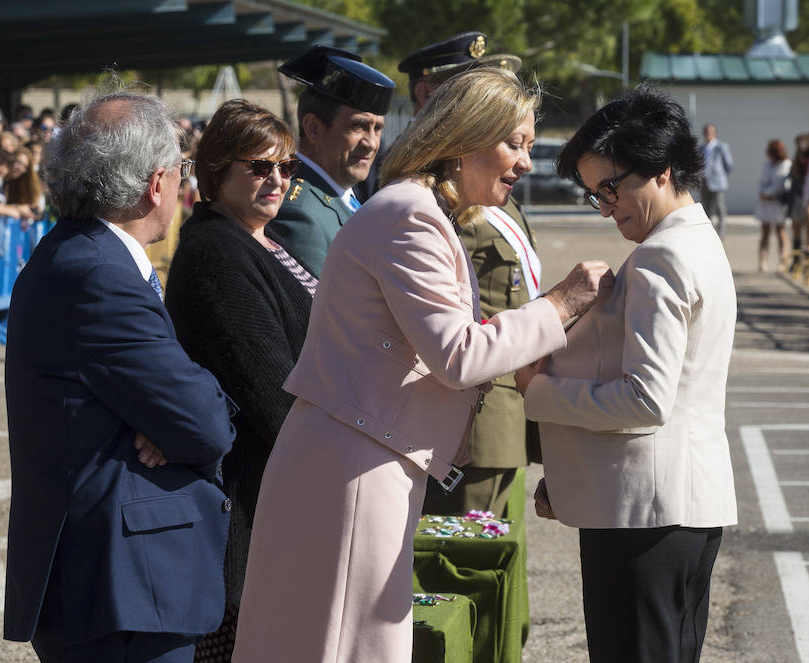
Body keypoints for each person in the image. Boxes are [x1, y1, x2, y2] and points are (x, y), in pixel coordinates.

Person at [233, 66, 611, 663]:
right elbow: (457, 355)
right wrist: (560, 305)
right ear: (465, 137)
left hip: (361, 452)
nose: (525, 163)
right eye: (515, 143)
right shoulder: (412, 215)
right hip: (355, 461)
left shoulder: (419, 211)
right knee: (346, 645)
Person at [3, 91, 238, 663]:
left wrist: (172, 418)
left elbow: (178, 405)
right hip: (122, 588)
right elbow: (206, 424)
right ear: (156, 184)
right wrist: (185, 417)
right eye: (182, 171)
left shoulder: (79, 256)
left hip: (117, 582)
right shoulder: (97, 274)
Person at [516, 86, 738, 663]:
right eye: (595, 195)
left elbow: (645, 399)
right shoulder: (698, 240)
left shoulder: (662, 256)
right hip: (679, 506)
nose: (607, 206)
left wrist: (539, 391)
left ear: (662, 169)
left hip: (646, 518)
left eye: (611, 187)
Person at [163, 99, 314, 663]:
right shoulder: (215, 254)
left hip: (280, 493)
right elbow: (273, 393)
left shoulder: (264, 240)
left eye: (286, 166)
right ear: (216, 171)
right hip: (247, 501)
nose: (276, 179)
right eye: (258, 166)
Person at [400, 32, 539, 520]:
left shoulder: (484, 189)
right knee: (456, 568)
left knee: (491, 564)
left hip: (502, 402)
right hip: (469, 408)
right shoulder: (424, 200)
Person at [268, 45, 395, 277]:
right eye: (358, 126)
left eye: (377, 129)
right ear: (313, 128)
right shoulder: (299, 213)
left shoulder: (343, 194)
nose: (372, 143)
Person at [755, 139, 792, 272]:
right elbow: (761, 181)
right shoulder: (767, 164)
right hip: (766, 203)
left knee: (780, 231)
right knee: (765, 232)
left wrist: (768, 193)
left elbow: (780, 183)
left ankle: (783, 261)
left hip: (777, 202)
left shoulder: (786, 164)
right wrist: (763, 192)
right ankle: (762, 260)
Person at [700, 123, 734, 237]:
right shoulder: (701, 148)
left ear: (714, 134)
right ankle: (709, 232)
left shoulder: (721, 147)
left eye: (710, 132)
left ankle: (721, 231)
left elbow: (729, 164)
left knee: (720, 208)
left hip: (718, 183)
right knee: (706, 208)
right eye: (706, 132)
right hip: (704, 182)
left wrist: (721, 176)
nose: (707, 135)